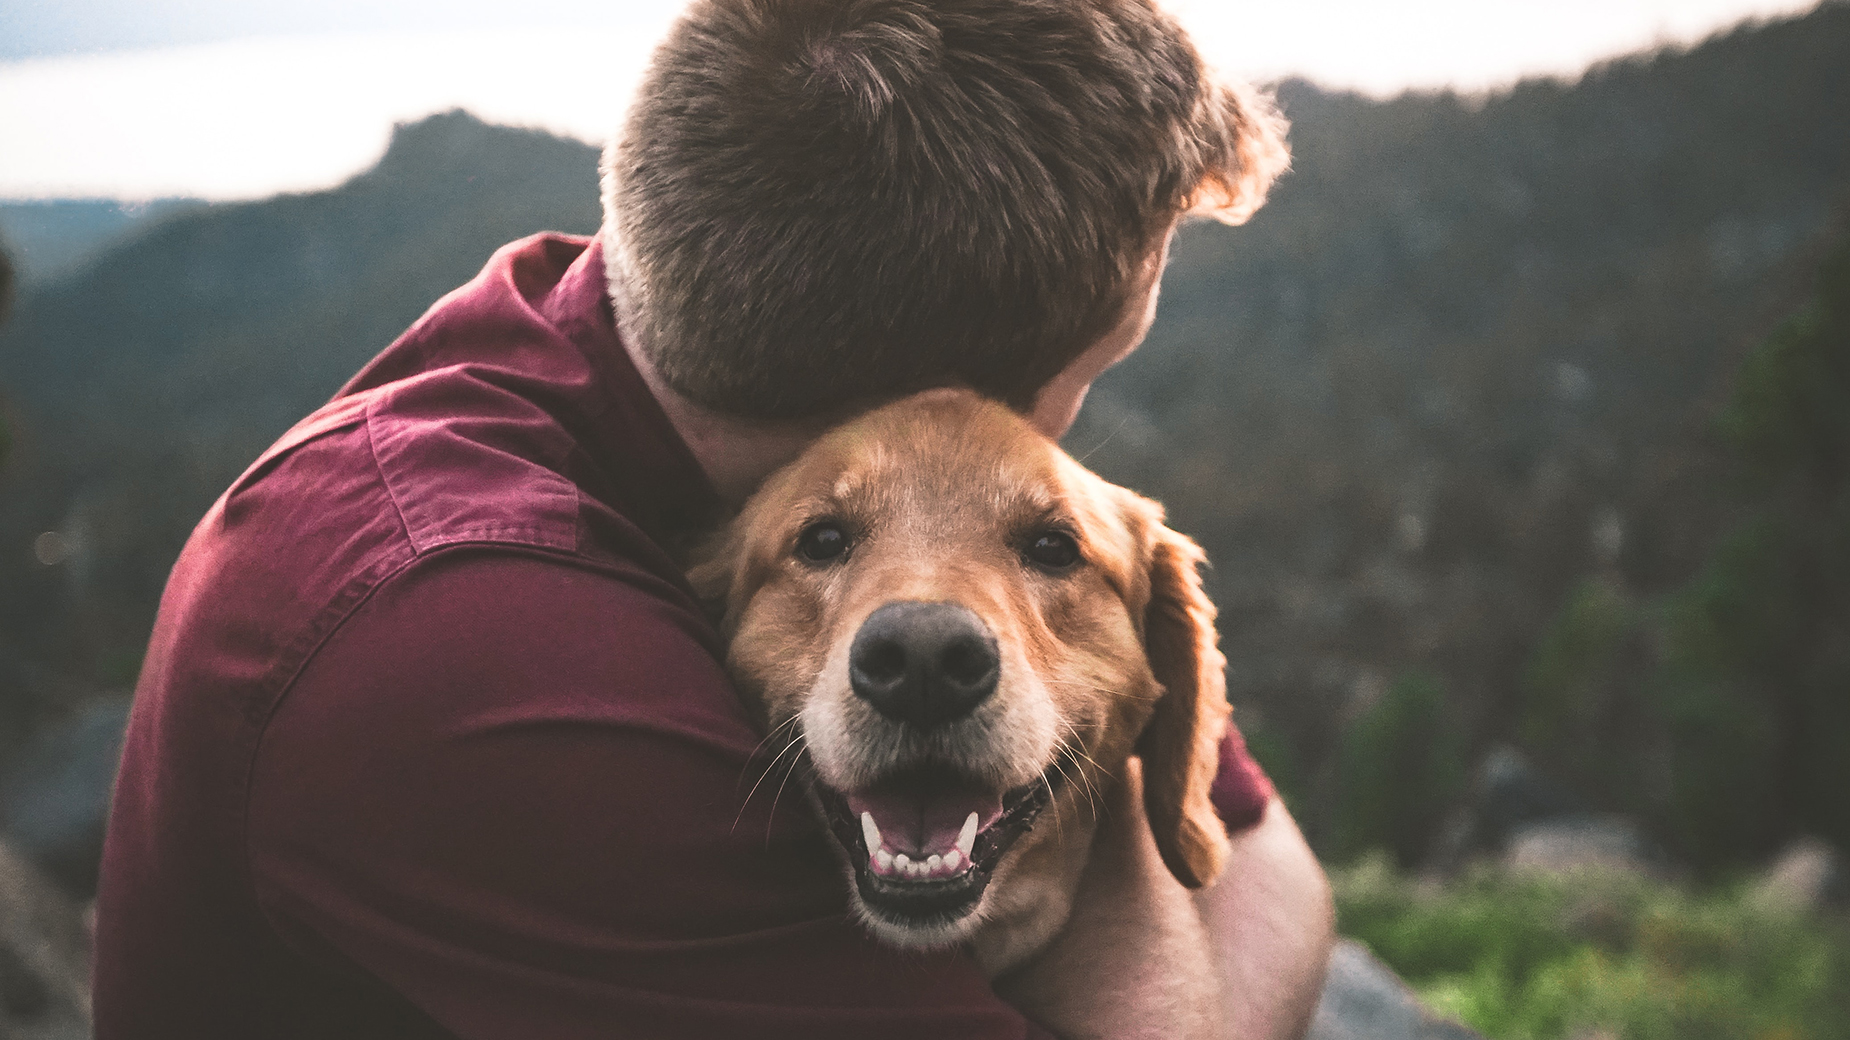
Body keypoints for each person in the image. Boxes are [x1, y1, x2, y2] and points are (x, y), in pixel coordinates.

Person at [93, 0, 1332, 1036]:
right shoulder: (464, 644)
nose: (1046, 442)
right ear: (939, 397)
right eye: (1091, 372)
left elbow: (1266, 859)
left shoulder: (649, 332)